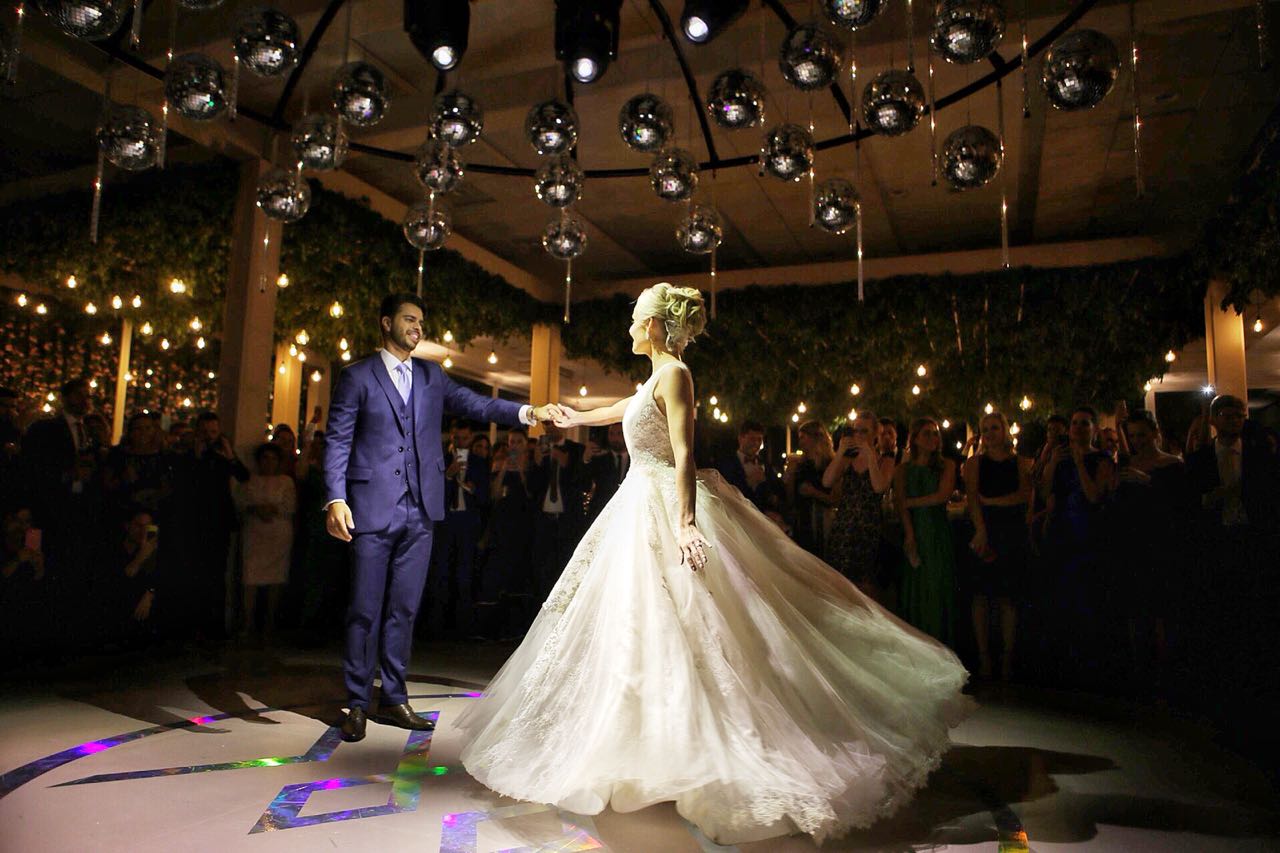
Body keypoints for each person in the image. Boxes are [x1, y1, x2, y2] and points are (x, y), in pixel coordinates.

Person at [456, 283, 970, 846]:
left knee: (695, 627)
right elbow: (612, 410)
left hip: (662, 506)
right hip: (635, 509)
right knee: (639, 630)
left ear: (656, 326)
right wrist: (567, 415)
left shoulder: (676, 375)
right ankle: (647, 750)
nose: (630, 326)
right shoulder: (652, 379)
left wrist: (685, 522)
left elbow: (684, 454)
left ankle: (704, 752)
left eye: (636, 319)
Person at [323, 293, 558, 743]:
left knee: (404, 608)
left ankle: (394, 697)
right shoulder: (357, 376)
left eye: (421, 321)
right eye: (409, 319)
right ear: (386, 322)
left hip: (422, 509)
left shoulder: (432, 376)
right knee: (364, 609)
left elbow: (480, 405)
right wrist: (335, 497)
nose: (417, 327)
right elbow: (338, 440)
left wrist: (529, 411)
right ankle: (356, 701)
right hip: (372, 505)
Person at [963, 412, 1033, 680]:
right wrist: (981, 530)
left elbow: (1024, 495)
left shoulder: (1020, 462)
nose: (990, 433)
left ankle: (1007, 658)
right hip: (984, 529)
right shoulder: (974, 463)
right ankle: (984, 657)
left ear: (1004, 431)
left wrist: (992, 502)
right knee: (980, 596)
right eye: (985, 429)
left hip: (1010, 532)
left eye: (995, 428)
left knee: (1007, 597)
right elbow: (972, 498)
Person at [894, 418, 957, 645]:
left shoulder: (947, 465)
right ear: (915, 439)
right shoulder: (902, 470)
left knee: (937, 583)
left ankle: (939, 638)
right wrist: (910, 534)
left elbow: (942, 495)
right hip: (915, 528)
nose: (932, 438)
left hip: (936, 529)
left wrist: (911, 502)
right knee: (916, 584)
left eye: (935, 433)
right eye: (927, 434)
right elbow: (899, 503)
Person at [823, 412, 895, 603]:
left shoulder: (885, 460)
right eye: (856, 430)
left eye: (864, 431)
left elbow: (879, 487)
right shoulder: (848, 458)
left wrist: (870, 456)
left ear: (875, 433)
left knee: (864, 582)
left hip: (868, 525)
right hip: (844, 523)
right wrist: (840, 452)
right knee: (839, 579)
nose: (859, 435)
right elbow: (827, 481)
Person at [236, 443, 296, 643]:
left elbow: (290, 506)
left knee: (275, 579)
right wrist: (256, 509)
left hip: (278, 535)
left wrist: (271, 509)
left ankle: (269, 624)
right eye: (265, 458)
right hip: (255, 534)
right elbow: (242, 502)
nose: (269, 463)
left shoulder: (286, 481)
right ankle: (247, 623)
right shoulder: (250, 480)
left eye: (273, 459)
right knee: (250, 577)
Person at [784, 420, 836, 557]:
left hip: (820, 521)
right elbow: (790, 498)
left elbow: (835, 499)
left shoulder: (829, 464)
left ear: (814, 437)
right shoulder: (800, 464)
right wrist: (790, 475)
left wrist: (814, 493)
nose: (800, 442)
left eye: (803, 437)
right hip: (801, 520)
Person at [714, 420, 770, 509]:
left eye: (759, 439)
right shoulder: (727, 463)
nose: (756, 443)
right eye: (752, 439)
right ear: (740, 438)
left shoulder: (764, 463)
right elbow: (724, 493)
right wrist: (749, 482)